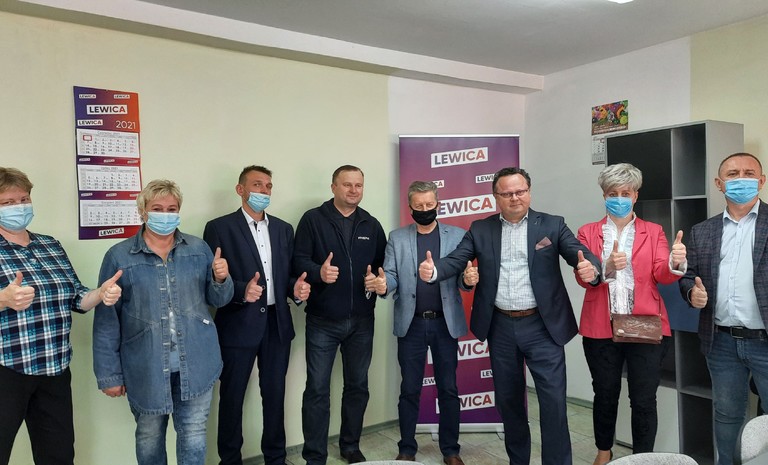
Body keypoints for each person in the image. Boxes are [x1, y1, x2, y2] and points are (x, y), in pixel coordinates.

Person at [418, 166, 601, 465]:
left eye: (520, 191)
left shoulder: (552, 224)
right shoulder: (481, 228)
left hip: (543, 327)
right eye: (507, 193)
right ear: (495, 197)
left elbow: (578, 252)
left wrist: (591, 268)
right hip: (501, 326)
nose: (515, 198)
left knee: (553, 404)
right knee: (509, 403)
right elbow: (456, 260)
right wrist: (434, 270)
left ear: (529, 192)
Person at [93, 179, 234, 465]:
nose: (165, 214)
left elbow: (218, 300)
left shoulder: (198, 249)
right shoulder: (119, 256)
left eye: (172, 209)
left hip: (197, 362)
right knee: (149, 437)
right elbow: (107, 319)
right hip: (146, 366)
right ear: (142, 211)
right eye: (157, 208)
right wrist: (109, 375)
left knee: (194, 434)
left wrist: (221, 278)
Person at [0, 167, 121, 465]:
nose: (19, 207)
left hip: (54, 368)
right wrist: (3, 299)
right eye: (8, 202)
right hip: (7, 370)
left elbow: (76, 297)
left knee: (58, 455)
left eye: (24, 199)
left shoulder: (50, 245)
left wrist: (101, 293)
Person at [575, 163, 687, 465]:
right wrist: (606, 267)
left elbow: (662, 274)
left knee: (644, 398)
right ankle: (604, 451)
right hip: (601, 327)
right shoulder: (587, 232)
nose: (619, 198)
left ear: (635, 196)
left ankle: (643, 458)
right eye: (613, 193)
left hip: (645, 325)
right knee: (605, 393)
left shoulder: (654, 231)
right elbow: (584, 277)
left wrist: (676, 262)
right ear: (604, 195)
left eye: (626, 193)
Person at [203, 165, 310, 465]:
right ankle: (230, 460)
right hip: (238, 323)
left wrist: (295, 289)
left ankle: (276, 458)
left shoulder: (283, 229)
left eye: (268, 186)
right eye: (257, 184)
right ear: (241, 189)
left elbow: (287, 275)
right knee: (232, 397)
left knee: (275, 396)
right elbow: (210, 279)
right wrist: (241, 290)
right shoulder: (219, 227)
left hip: (277, 324)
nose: (264, 191)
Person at [376, 181, 477, 465]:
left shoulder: (457, 236)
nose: (424, 209)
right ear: (410, 207)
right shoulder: (397, 237)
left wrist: (468, 281)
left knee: (448, 388)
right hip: (412, 325)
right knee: (409, 388)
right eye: (418, 206)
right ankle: (407, 449)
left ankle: (451, 450)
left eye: (429, 205)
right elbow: (391, 276)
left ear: (438, 204)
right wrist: (383, 285)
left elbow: (462, 279)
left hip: (445, 324)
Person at [292, 165, 386, 465]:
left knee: (357, 386)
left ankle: (350, 446)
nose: (353, 190)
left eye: (359, 185)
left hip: (362, 321)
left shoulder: (371, 224)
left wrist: (378, 282)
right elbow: (298, 261)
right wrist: (317, 273)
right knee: (317, 389)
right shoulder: (313, 219)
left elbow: (383, 268)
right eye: (347, 184)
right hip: (323, 321)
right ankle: (314, 455)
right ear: (333, 187)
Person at [680, 152, 768, 465]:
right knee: (727, 415)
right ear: (719, 183)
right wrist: (692, 293)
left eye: (749, 173)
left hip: (765, 342)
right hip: (722, 342)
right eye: (733, 174)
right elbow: (689, 276)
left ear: (761, 181)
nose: (741, 179)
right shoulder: (702, 231)